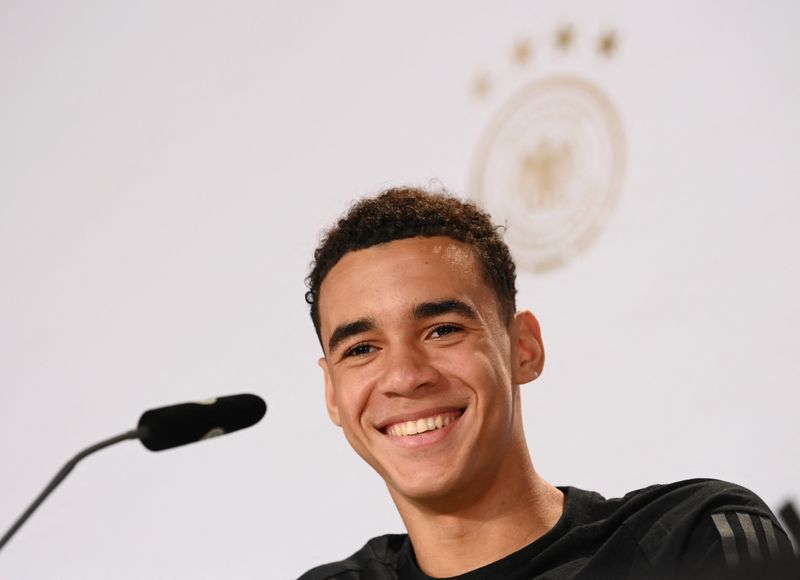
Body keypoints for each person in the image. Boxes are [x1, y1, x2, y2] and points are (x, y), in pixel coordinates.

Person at [299, 186, 795, 579]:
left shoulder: (691, 537)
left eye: (442, 330)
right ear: (332, 394)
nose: (405, 376)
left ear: (523, 348)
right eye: (361, 349)